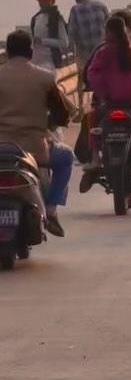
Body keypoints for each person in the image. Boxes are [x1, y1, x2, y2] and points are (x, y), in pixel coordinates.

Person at [0, 30, 74, 237]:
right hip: (35, 150)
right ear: (30, 52)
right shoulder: (45, 78)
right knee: (66, 157)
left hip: (1, 149)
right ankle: (50, 209)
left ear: (7, 52)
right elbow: (62, 115)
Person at [81, 16, 131, 192]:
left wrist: (103, 92)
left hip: (109, 102)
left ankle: (95, 158)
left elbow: (92, 75)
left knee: (92, 119)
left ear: (107, 32)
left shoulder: (102, 52)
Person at [67, 0, 109, 111]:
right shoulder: (101, 6)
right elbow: (111, 25)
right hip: (102, 50)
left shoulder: (75, 10)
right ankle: (106, 102)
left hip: (85, 53)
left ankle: (80, 108)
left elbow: (71, 33)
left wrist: (69, 50)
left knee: (81, 78)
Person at [30, 0, 69, 74]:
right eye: (40, 1)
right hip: (36, 62)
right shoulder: (35, 18)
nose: (42, 3)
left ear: (52, 1)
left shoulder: (57, 19)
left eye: (45, 1)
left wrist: (43, 41)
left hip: (51, 63)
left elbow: (64, 43)